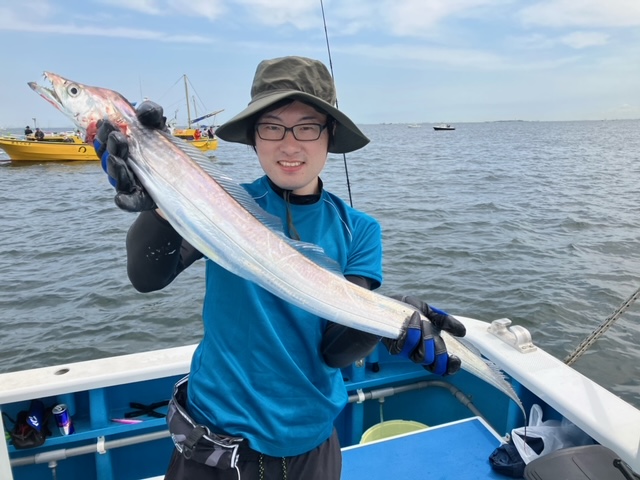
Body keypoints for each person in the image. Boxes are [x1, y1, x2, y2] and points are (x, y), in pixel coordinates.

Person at [93, 56, 466, 480]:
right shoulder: (216, 204)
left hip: (311, 444)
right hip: (210, 441)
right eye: (272, 127)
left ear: (329, 135)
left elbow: (333, 350)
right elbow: (148, 278)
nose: (289, 146)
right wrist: (159, 206)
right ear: (254, 137)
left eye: (307, 127)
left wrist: (389, 317)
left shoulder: (359, 229)